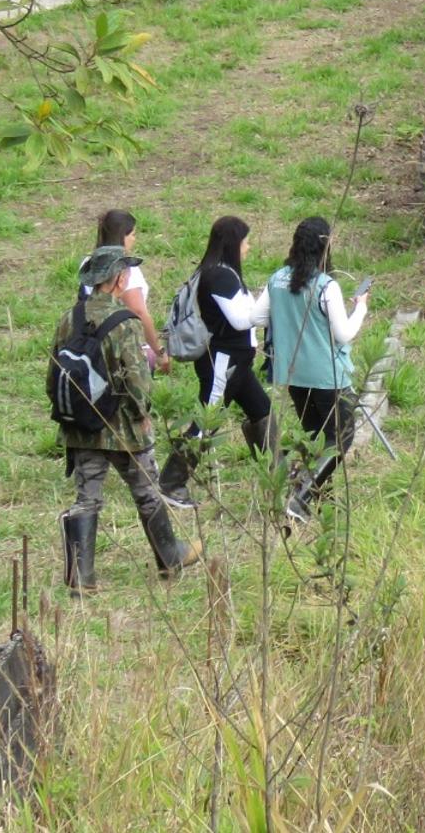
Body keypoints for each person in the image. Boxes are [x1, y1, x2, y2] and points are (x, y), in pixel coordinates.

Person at [58, 247, 202, 595]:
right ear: (119, 279)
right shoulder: (125, 323)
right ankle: (170, 556)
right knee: (146, 490)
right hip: (122, 427)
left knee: (86, 496)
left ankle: (81, 578)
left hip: (81, 423)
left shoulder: (70, 317)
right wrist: (144, 415)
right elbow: (138, 380)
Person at [157, 215, 273, 509]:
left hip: (237, 363)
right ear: (234, 244)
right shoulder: (219, 276)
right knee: (206, 420)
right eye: (246, 241)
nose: (249, 246)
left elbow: (245, 312)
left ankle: (276, 475)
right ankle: (171, 483)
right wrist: (273, 291)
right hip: (223, 362)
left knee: (262, 411)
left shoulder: (224, 274)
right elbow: (241, 319)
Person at [266, 217, 370, 524]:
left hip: (294, 375)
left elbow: (258, 317)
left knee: (316, 437)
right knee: (341, 438)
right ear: (325, 245)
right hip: (328, 376)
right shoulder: (327, 286)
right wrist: (361, 307)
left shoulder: (277, 279)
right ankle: (302, 497)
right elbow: (344, 334)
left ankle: (322, 501)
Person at [80, 210, 168, 374]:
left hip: (90, 341)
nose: (135, 239)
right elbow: (139, 311)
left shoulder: (88, 263)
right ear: (122, 237)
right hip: (120, 345)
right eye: (133, 234)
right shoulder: (127, 270)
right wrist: (159, 351)